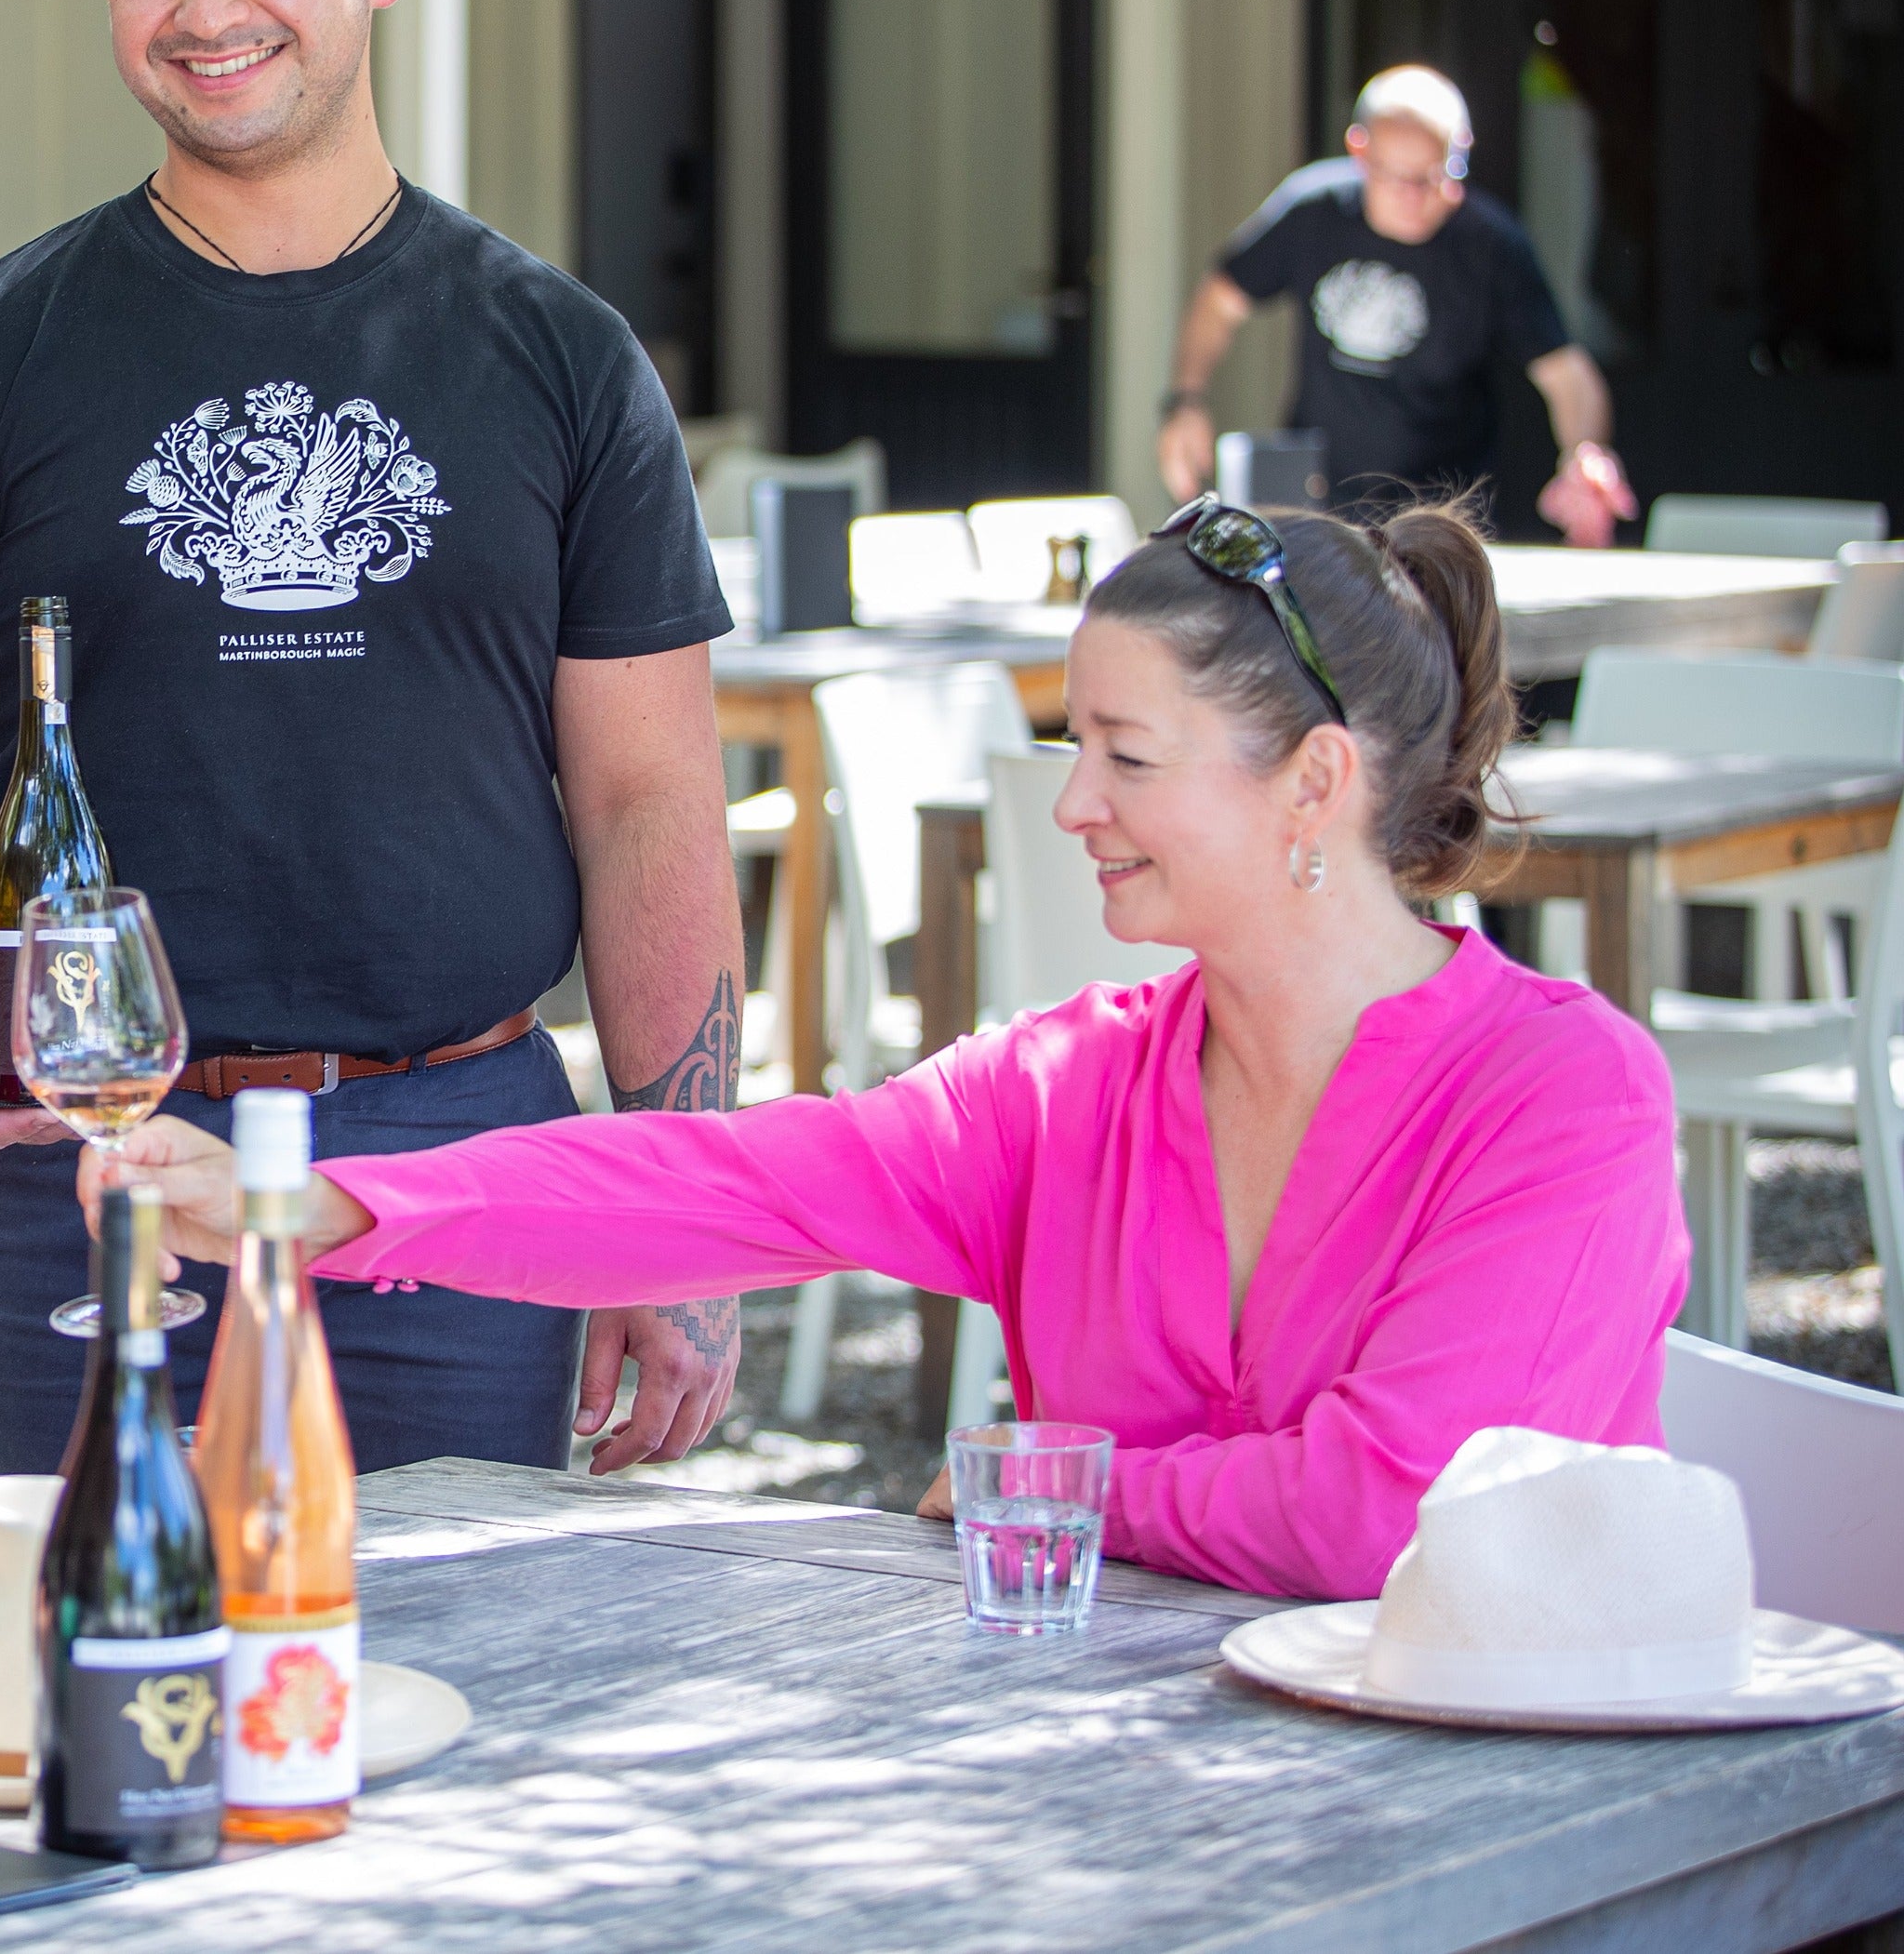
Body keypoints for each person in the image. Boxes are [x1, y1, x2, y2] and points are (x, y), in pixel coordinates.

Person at [90, 498, 1688, 1604]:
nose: (1071, 805)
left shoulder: (1565, 1096)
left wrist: (1063, 1485)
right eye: (1074, 746)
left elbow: (1388, 1514)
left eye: (1124, 755)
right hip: (1142, 1784)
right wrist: (321, 1210)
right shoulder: (1076, 1085)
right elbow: (715, 1179)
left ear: (1315, 780)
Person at [0, 0, 745, 1483]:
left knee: (453, 1701)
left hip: (458, 1146)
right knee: (105, 1686)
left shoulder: (563, 361)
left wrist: (676, 1205)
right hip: (88, 1154)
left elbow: (649, 797)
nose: (204, 3)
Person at [1159, 65, 1635, 543]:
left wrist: (1584, 453)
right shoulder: (1312, 214)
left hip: (1440, 522)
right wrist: (1186, 398)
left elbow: (1567, 375)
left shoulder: (1490, 245)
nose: (1415, 198)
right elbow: (1221, 300)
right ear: (1360, 151)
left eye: (1434, 177)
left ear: (1461, 150)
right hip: (1320, 508)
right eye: (1397, 178)